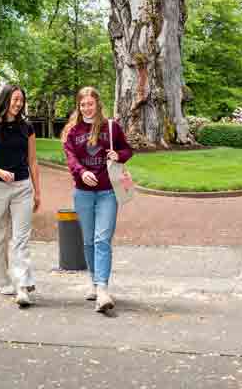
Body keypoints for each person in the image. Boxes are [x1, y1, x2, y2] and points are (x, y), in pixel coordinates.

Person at [61, 86, 133, 313]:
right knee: (89, 241)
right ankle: (93, 281)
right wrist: (82, 172)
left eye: (90, 104)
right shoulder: (73, 131)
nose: (86, 108)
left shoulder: (111, 127)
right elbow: (71, 159)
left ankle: (102, 289)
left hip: (108, 191)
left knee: (102, 239)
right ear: (79, 106)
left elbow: (127, 150)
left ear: (97, 104)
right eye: (82, 104)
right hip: (82, 192)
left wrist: (118, 155)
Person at [0, 84, 41, 307]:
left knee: (21, 238)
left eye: (21, 100)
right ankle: (2, 280)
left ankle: (22, 285)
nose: (18, 104)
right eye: (15, 99)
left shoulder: (27, 127)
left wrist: (37, 192)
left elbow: (33, 161)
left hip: (22, 187)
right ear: (5, 99)